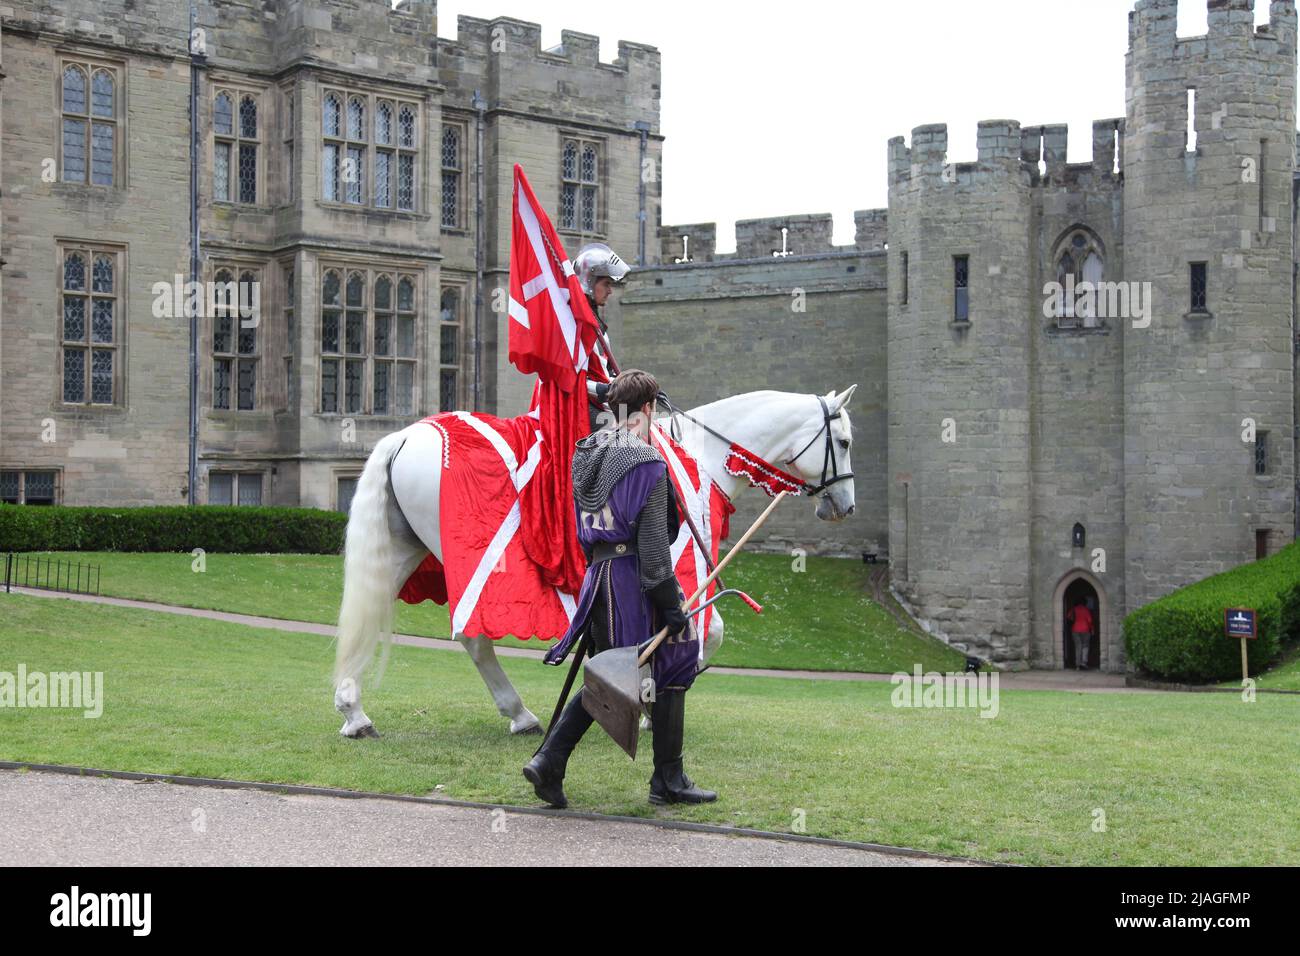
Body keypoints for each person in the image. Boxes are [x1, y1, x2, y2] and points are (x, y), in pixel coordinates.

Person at [523, 368, 716, 809]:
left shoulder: (585, 453)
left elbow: (584, 531)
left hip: (598, 578)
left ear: (614, 408)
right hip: (631, 581)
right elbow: (652, 552)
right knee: (663, 656)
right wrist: (670, 605)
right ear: (647, 409)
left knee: (619, 669)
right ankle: (662, 779)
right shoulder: (645, 462)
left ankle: (561, 762)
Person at [573, 243, 630, 430]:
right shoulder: (571, 324)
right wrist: (602, 389)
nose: (610, 290)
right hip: (574, 405)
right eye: (606, 283)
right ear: (589, 282)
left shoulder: (596, 324)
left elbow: (607, 372)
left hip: (595, 401)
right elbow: (568, 377)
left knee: (643, 422)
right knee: (621, 435)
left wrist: (641, 387)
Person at [1066, 599, 1093, 670]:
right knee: (1085, 646)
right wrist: (1092, 629)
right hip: (1085, 630)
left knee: (1078, 647)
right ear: (1085, 603)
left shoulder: (1073, 609)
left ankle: (1077, 665)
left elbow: (1068, 617)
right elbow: (1090, 620)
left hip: (1075, 630)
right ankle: (1084, 663)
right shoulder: (1086, 610)